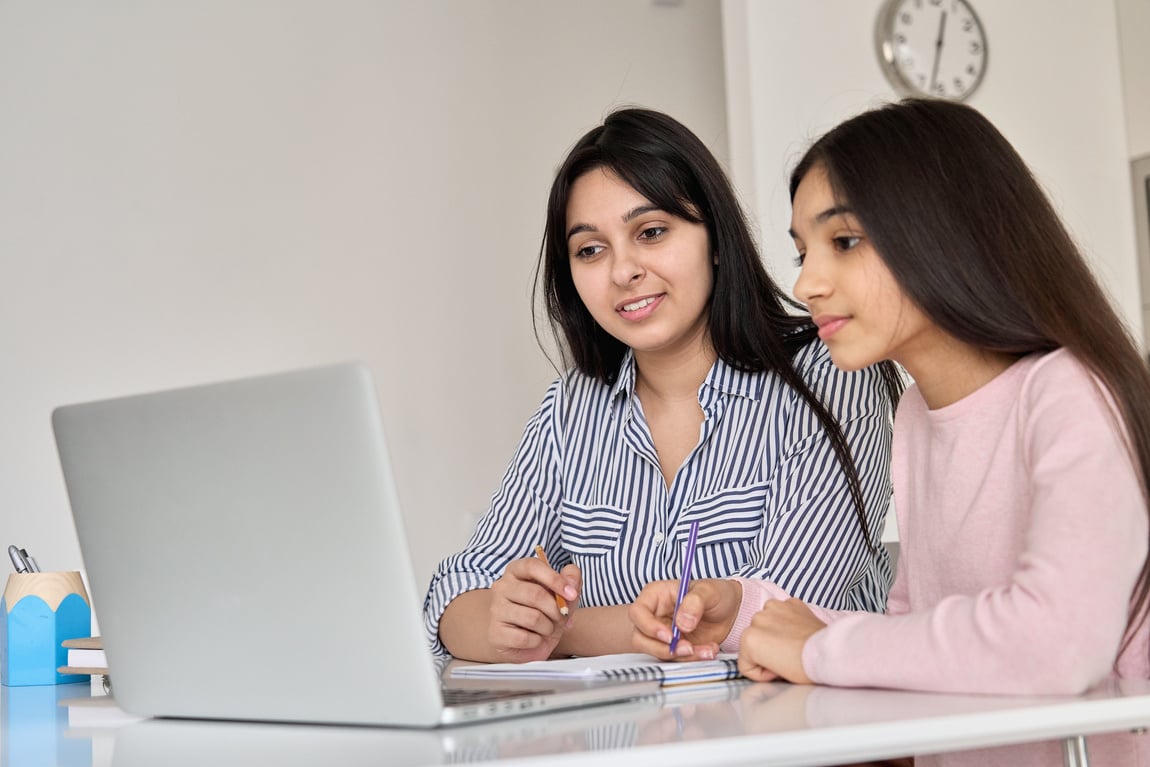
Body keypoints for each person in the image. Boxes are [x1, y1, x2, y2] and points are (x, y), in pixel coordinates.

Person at [629, 98, 1150, 766]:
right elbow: (911, 635)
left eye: (843, 241)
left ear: (943, 231)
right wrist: (745, 614)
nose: (807, 282)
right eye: (802, 251)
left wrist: (816, 648)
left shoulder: (1069, 394)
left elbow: (1056, 642)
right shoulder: (916, 416)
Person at [422, 107, 904, 664]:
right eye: (590, 249)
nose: (622, 271)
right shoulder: (571, 409)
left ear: (715, 239)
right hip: (623, 742)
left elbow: (785, 615)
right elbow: (454, 597)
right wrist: (506, 619)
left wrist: (563, 630)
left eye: (651, 232)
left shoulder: (831, 375)